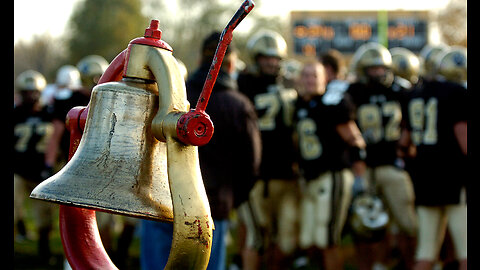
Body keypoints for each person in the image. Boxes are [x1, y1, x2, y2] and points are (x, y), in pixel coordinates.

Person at [140, 31, 261, 270]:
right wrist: (231, 199)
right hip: (212, 208)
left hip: (163, 203)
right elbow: (252, 164)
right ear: (232, 63)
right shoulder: (240, 106)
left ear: (199, 61)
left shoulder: (170, 100)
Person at [346, 42, 418, 270]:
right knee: (364, 225)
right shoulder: (353, 92)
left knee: (407, 223)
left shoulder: (400, 90)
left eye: (381, 68)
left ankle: (409, 263)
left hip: (391, 164)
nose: (378, 73)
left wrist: (402, 147)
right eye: (372, 69)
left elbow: (411, 123)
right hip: (364, 167)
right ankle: (371, 265)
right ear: (362, 70)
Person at [293, 60, 366, 270]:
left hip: (333, 175)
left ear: (325, 78)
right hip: (311, 177)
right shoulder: (301, 104)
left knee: (328, 238)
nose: (310, 80)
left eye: (315, 75)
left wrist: (360, 178)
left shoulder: (333, 102)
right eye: (306, 75)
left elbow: (355, 141)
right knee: (309, 238)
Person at [399, 46, 467, 270]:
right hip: (453, 178)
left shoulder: (414, 94)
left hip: (424, 178)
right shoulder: (455, 92)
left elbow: (404, 143)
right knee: (465, 252)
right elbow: (463, 140)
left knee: (426, 252)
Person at [236, 29, 299, 269]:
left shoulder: (289, 84)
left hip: (285, 172)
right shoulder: (243, 84)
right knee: (256, 235)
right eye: (265, 58)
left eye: (275, 58)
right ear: (256, 58)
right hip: (255, 174)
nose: (271, 63)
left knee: (284, 240)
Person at [14, 70, 55, 264]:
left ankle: (44, 251)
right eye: (27, 92)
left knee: (44, 217)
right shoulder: (16, 113)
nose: (31, 96)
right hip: (18, 171)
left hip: (42, 173)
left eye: (34, 92)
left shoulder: (50, 113)